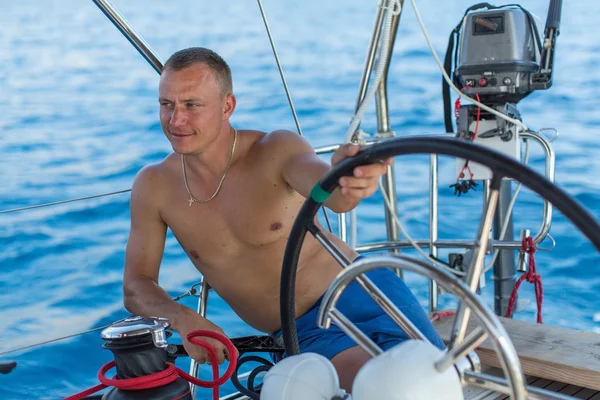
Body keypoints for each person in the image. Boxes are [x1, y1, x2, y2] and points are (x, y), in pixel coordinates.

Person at [123, 47, 444, 392]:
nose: (176, 120)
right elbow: (136, 285)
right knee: (388, 389)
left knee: (435, 383)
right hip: (300, 329)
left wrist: (349, 176)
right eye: (166, 104)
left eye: (191, 105)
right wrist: (183, 318)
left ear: (227, 106)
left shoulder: (275, 150)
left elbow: (335, 195)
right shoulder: (154, 186)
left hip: (367, 290)